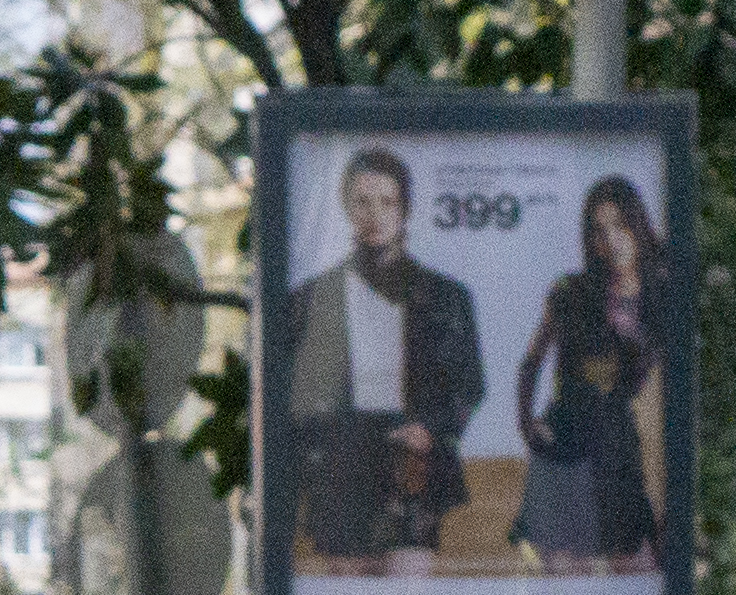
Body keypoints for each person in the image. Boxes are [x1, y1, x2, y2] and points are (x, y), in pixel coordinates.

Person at [285, 144, 485, 568]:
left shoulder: (447, 298)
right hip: (341, 468)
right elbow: (294, 396)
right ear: (346, 207)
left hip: (411, 470)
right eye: (362, 201)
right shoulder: (308, 301)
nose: (375, 213)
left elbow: (470, 383)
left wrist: (431, 428)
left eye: (387, 201)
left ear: (405, 208)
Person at [509, 172, 667, 568]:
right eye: (598, 230)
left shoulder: (661, 295)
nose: (611, 239)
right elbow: (530, 363)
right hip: (564, 439)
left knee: (638, 569)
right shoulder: (570, 291)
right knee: (564, 579)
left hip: (618, 444)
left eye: (620, 225)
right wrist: (528, 425)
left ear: (637, 225)